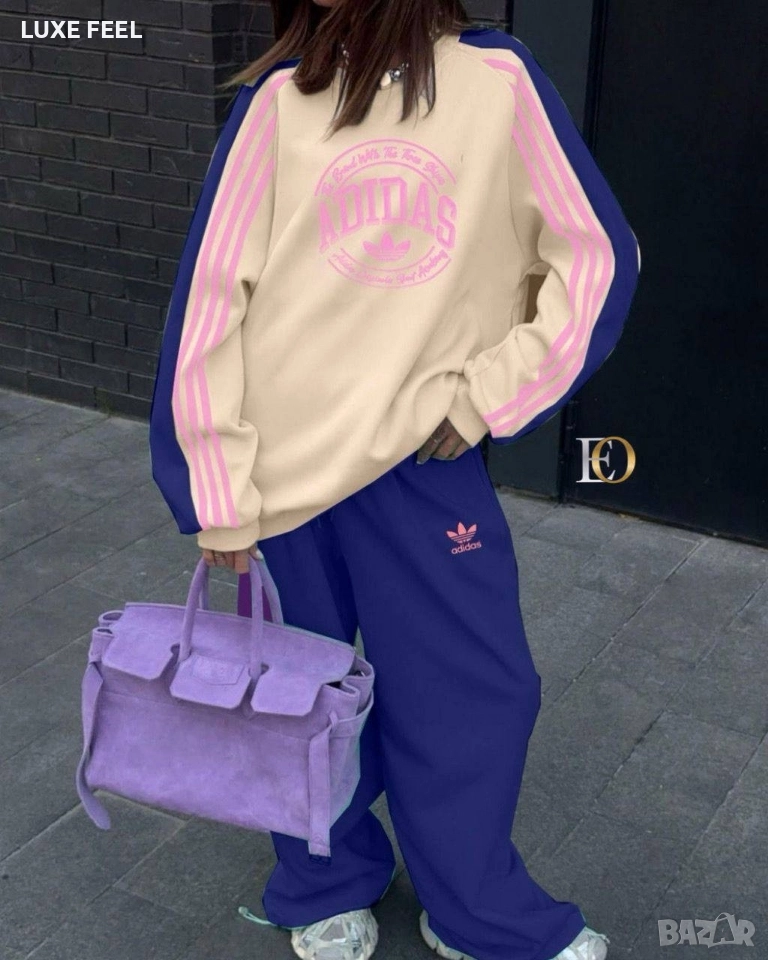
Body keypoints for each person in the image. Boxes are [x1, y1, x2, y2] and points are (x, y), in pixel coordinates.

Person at [148, 0, 641, 956]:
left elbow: (599, 257)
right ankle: (323, 879)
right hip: (277, 481)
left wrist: (489, 396)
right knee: (292, 700)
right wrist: (217, 490)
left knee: (473, 694)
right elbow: (209, 300)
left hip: (422, 466)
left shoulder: (498, 80)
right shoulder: (277, 99)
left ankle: (476, 912)